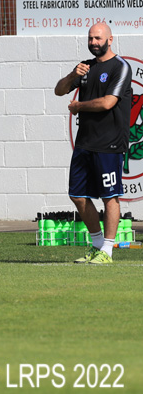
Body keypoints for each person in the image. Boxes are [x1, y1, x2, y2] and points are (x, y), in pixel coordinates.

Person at [55, 22, 131, 264]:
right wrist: (72, 76)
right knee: (77, 195)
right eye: (90, 38)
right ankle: (97, 244)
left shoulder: (120, 67)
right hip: (84, 143)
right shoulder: (85, 66)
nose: (93, 43)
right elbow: (59, 91)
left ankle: (107, 251)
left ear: (110, 39)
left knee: (110, 197)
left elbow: (108, 102)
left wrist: (79, 106)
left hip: (109, 143)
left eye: (98, 38)